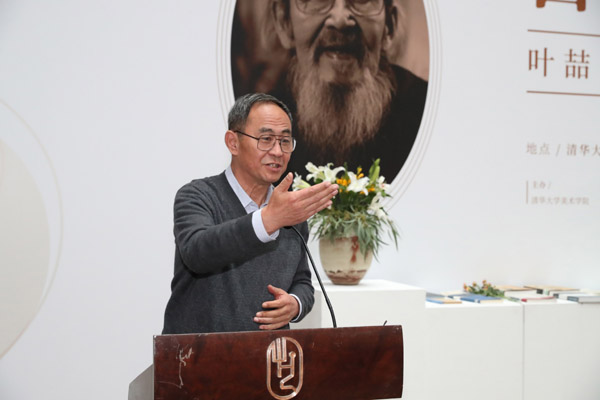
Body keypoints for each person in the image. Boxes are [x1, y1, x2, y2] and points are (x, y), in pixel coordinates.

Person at [162, 93, 338, 334]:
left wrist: (295, 304)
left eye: (285, 141)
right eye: (266, 139)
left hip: (271, 353)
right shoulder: (197, 195)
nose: (278, 151)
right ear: (233, 142)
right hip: (198, 352)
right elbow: (197, 252)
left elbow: (302, 282)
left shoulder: (289, 210)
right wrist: (268, 220)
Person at [269, 0, 428, 180]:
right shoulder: (258, 128)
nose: (340, 20)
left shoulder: (428, 116)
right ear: (284, 22)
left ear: (389, 26)